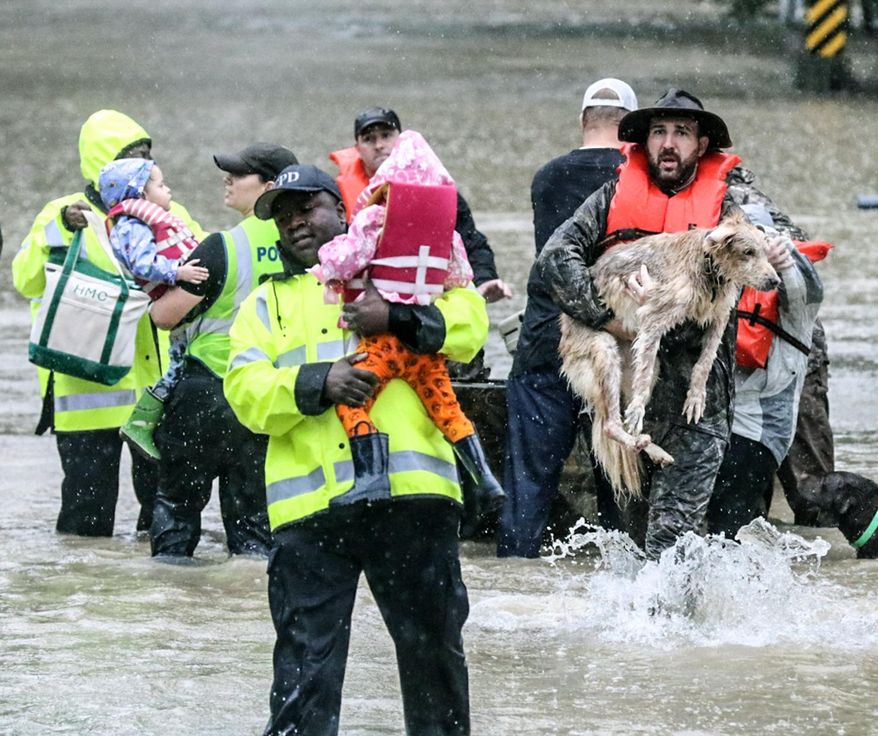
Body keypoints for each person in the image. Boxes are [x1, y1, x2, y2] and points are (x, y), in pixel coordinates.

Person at [225, 164, 482, 735]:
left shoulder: (396, 269)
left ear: (341, 210)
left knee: (434, 663)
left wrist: (396, 315)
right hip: (310, 518)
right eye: (282, 215)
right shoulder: (263, 307)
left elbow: (470, 325)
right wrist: (319, 382)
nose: (295, 222)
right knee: (304, 678)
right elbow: (244, 394)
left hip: (412, 500)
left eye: (307, 207)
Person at [537, 88, 804, 559]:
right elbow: (555, 259)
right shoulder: (611, 196)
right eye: (659, 132)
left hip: (696, 405)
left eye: (681, 133)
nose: (668, 143)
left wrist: (780, 249)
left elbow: (788, 239)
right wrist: (608, 319)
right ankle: (635, 630)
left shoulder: (734, 199)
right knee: (624, 542)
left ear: (702, 145)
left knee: (671, 539)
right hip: (628, 394)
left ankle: (680, 626)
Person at [11, 109, 204, 536]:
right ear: (104, 166)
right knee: (85, 526)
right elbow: (24, 280)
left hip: (152, 395)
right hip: (85, 392)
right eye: (131, 157)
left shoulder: (167, 212)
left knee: (161, 522)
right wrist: (59, 232)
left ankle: (155, 597)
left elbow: (209, 268)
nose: (144, 166)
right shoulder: (62, 213)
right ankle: (85, 598)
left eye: (146, 158)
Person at [311, 129, 505, 513]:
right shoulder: (446, 236)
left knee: (352, 403)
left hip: (384, 345)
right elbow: (459, 278)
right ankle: (485, 480)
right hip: (424, 350)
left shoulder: (374, 219)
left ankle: (371, 478)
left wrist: (326, 257)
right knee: (448, 410)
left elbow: (343, 260)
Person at [498, 78, 637, 558]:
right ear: (632, 129)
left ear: (583, 121)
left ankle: (514, 569)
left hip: (545, 339)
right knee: (619, 484)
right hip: (611, 347)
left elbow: (555, 261)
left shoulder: (546, 177)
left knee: (528, 483)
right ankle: (625, 584)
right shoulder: (636, 180)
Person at [147, 143, 299, 558]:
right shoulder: (307, 246)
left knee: (177, 510)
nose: (227, 180)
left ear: (269, 187)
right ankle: (245, 605)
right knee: (254, 524)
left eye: (238, 174)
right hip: (269, 398)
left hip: (207, 393)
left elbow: (165, 316)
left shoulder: (222, 247)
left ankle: (171, 602)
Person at [707, 204, 826, 536]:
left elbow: (805, 290)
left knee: (728, 520)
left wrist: (781, 254)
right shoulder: (725, 278)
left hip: (762, 429)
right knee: (727, 521)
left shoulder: (798, 284)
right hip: (718, 425)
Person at [329, 105, 512, 311]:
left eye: (386, 135)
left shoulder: (437, 192)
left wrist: (484, 280)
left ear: (400, 139)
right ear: (357, 148)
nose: (379, 145)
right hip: (366, 302)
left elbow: (471, 242)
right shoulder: (337, 199)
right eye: (369, 139)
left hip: (427, 304)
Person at [97, 158, 208, 460]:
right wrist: (178, 272)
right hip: (173, 304)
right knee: (178, 369)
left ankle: (147, 424)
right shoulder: (131, 226)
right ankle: (142, 424)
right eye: (160, 184)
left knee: (179, 366)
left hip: (181, 306)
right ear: (141, 196)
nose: (167, 188)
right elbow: (142, 263)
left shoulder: (144, 220)